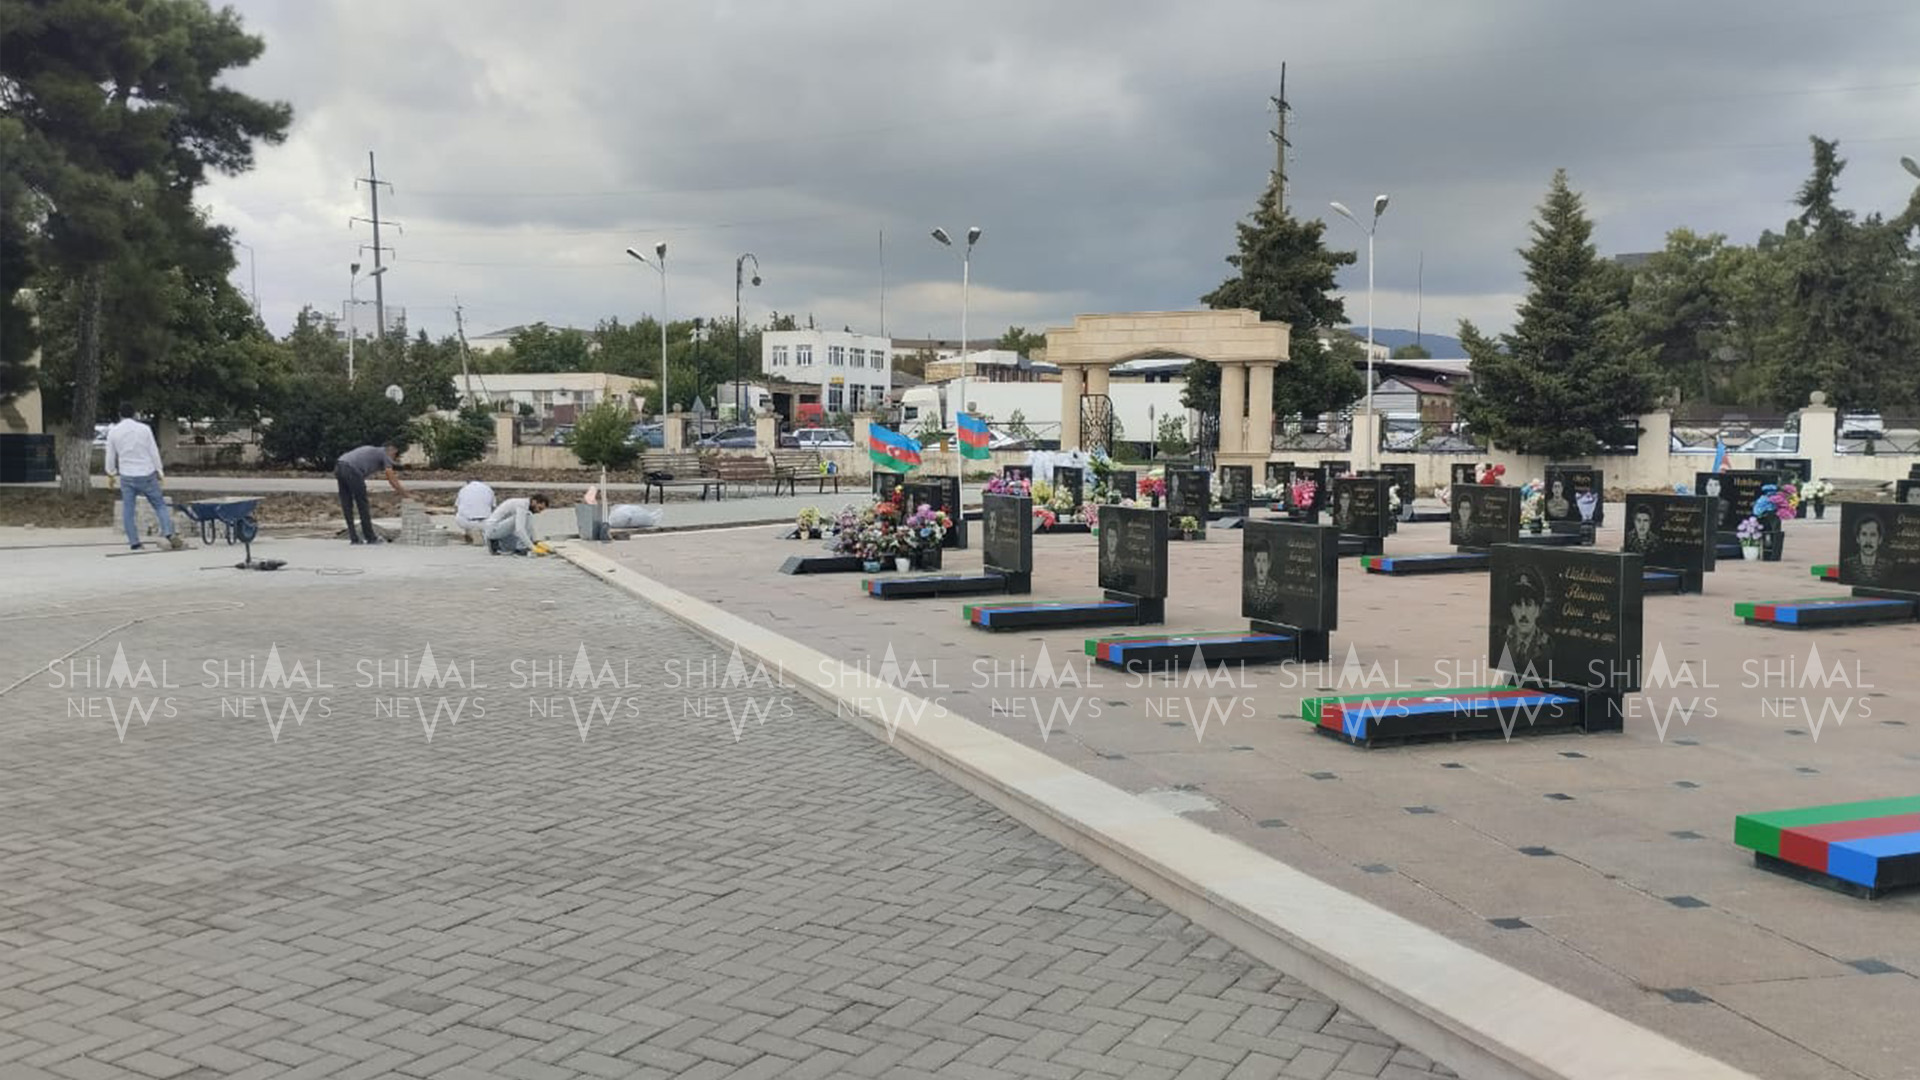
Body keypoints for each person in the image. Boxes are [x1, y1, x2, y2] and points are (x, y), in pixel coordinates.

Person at [104, 402, 184, 551]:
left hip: (127, 475)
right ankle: (168, 533)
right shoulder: (144, 429)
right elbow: (153, 451)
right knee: (159, 505)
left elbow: (110, 455)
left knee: (128, 510)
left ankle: (134, 542)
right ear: (135, 414)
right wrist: (160, 471)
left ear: (120, 415)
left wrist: (111, 473)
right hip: (147, 473)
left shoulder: (114, 432)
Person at [335, 441, 408, 544]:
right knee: (362, 503)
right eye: (395, 455)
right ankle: (371, 537)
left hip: (339, 465)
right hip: (352, 469)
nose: (392, 459)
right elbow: (391, 478)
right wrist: (406, 495)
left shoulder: (373, 451)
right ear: (392, 449)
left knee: (347, 503)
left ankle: (354, 538)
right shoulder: (384, 453)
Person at [1502, 566, 1551, 675]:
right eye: (1518, 604)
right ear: (1512, 609)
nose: (1523, 613)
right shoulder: (1502, 641)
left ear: (1538, 610)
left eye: (1529, 604)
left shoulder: (1547, 647)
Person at [484, 493, 551, 555]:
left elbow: (530, 527)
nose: (539, 512)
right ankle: (522, 548)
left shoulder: (526, 508)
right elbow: (520, 529)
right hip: (493, 530)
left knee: (513, 547)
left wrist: (536, 541)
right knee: (525, 517)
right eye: (539, 508)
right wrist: (532, 547)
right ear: (534, 502)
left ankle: (496, 543)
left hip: (501, 529)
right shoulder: (522, 505)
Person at [1841, 513, 1885, 584]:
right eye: (1864, 534)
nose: (1868, 541)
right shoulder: (1847, 565)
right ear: (1858, 539)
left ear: (1880, 540)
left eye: (1873, 535)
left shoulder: (1888, 567)